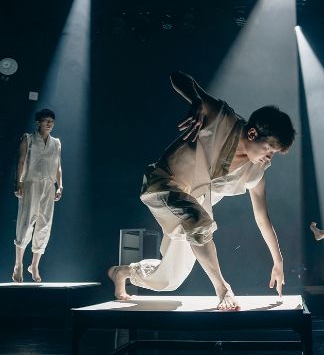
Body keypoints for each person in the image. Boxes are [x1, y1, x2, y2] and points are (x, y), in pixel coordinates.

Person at [108, 71, 296, 310]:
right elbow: (177, 77)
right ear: (252, 134)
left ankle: (123, 272)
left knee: (172, 278)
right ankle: (223, 289)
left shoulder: (254, 171)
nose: (268, 158)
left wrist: (278, 261)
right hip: (163, 184)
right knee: (199, 222)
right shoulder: (220, 119)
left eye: (273, 154)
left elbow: (262, 218)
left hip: (194, 204)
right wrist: (197, 100)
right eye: (268, 150)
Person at [12, 108, 63, 283]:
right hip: (31, 182)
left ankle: (34, 265)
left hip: (49, 185)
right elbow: (21, 161)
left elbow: (58, 166)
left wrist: (60, 186)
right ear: (38, 122)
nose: (49, 123)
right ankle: (18, 265)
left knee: (44, 225)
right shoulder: (28, 138)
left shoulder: (56, 143)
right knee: (26, 222)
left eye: (51, 121)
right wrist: (18, 182)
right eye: (46, 120)